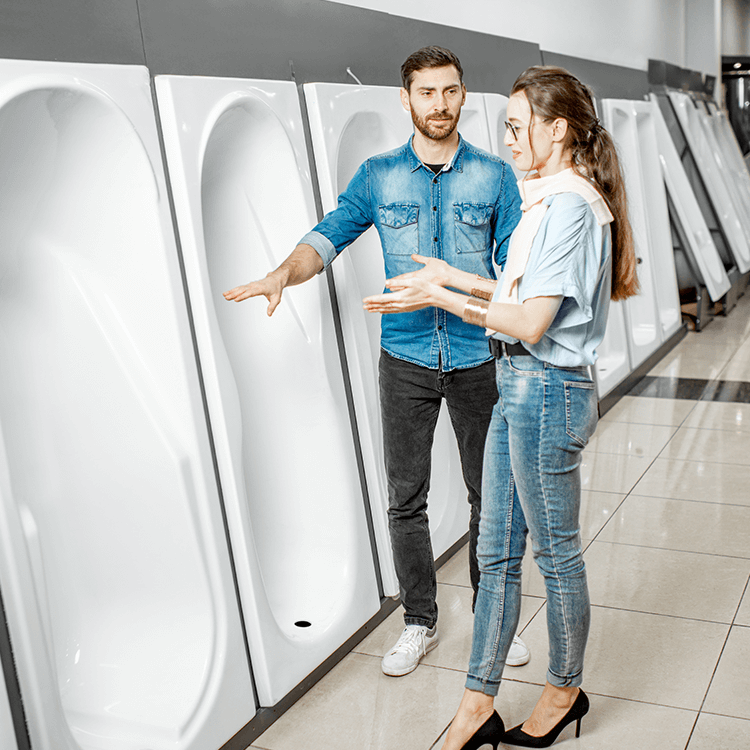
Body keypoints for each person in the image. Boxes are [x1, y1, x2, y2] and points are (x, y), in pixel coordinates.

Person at [223, 46, 531, 677]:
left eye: (450, 91)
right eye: (426, 92)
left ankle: (491, 615)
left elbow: (515, 275)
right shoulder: (378, 175)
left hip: (479, 355)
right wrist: (284, 273)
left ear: (463, 94)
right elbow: (329, 235)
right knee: (404, 498)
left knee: (490, 495)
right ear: (406, 99)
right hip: (405, 360)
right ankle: (419, 620)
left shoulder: (496, 177)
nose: (439, 104)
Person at [364, 65, 638, 747]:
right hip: (519, 384)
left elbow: (531, 322)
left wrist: (439, 298)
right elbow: (514, 294)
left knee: (556, 557)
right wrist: (449, 273)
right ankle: (476, 703)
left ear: (558, 129)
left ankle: (564, 689)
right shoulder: (549, 196)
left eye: (517, 127)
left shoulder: (573, 206)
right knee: (496, 548)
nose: (508, 139)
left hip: (546, 388)